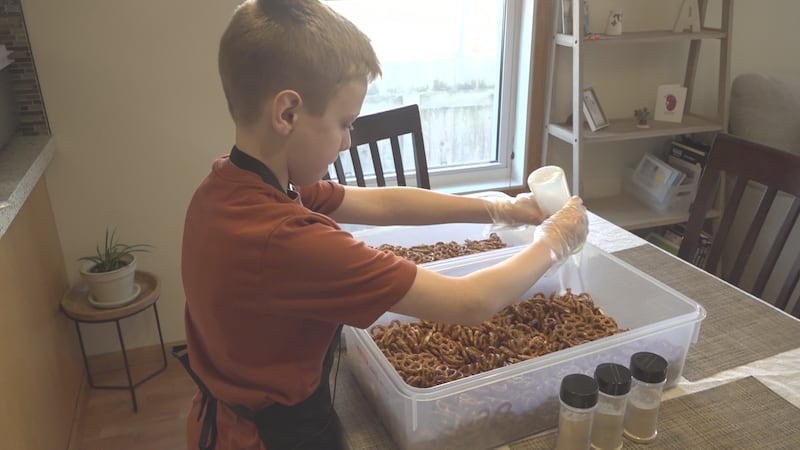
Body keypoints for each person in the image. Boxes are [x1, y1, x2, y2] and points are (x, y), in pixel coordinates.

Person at [178, 0, 588, 449]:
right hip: (270, 436)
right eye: (343, 123)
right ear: (288, 113)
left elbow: (385, 205)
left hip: (224, 414)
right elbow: (471, 302)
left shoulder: (233, 186)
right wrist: (554, 241)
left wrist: (499, 208)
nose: (348, 141)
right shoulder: (286, 241)